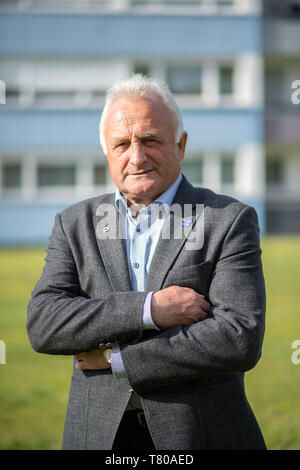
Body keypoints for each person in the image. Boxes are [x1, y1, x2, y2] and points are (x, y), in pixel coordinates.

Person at [27, 74, 266, 450]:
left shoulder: (227, 219)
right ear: (107, 151)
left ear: (181, 144)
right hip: (98, 435)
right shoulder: (74, 224)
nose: (136, 157)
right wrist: (149, 309)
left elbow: (239, 338)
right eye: (121, 144)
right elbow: (44, 324)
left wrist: (116, 358)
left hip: (199, 433)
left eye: (150, 140)